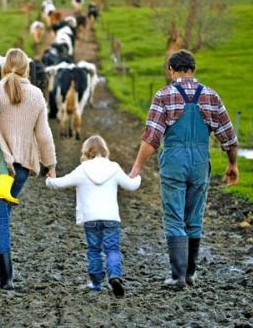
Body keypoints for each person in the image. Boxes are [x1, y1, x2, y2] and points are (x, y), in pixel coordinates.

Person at [129, 50, 239, 289]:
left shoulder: (164, 95)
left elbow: (151, 138)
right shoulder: (211, 96)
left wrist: (137, 166)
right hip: (200, 162)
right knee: (194, 217)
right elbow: (229, 137)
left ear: (171, 70)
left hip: (174, 162)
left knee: (174, 216)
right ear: (193, 70)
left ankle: (177, 277)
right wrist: (232, 164)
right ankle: (190, 274)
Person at [0, 48, 57, 290]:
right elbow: (44, 134)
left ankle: (6, 279)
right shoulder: (36, 95)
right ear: (27, 69)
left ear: (3, 68)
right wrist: (51, 164)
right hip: (22, 169)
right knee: (2, 216)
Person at [45, 135, 141, 298]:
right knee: (112, 249)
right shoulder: (114, 167)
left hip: (90, 218)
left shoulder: (82, 169)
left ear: (87, 152)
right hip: (110, 217)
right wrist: (137, 176)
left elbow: (60, 183)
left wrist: (50, 179)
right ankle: (114, 276)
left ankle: (96, 283)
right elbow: (131, 185)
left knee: (94, 250)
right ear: (105, 151)